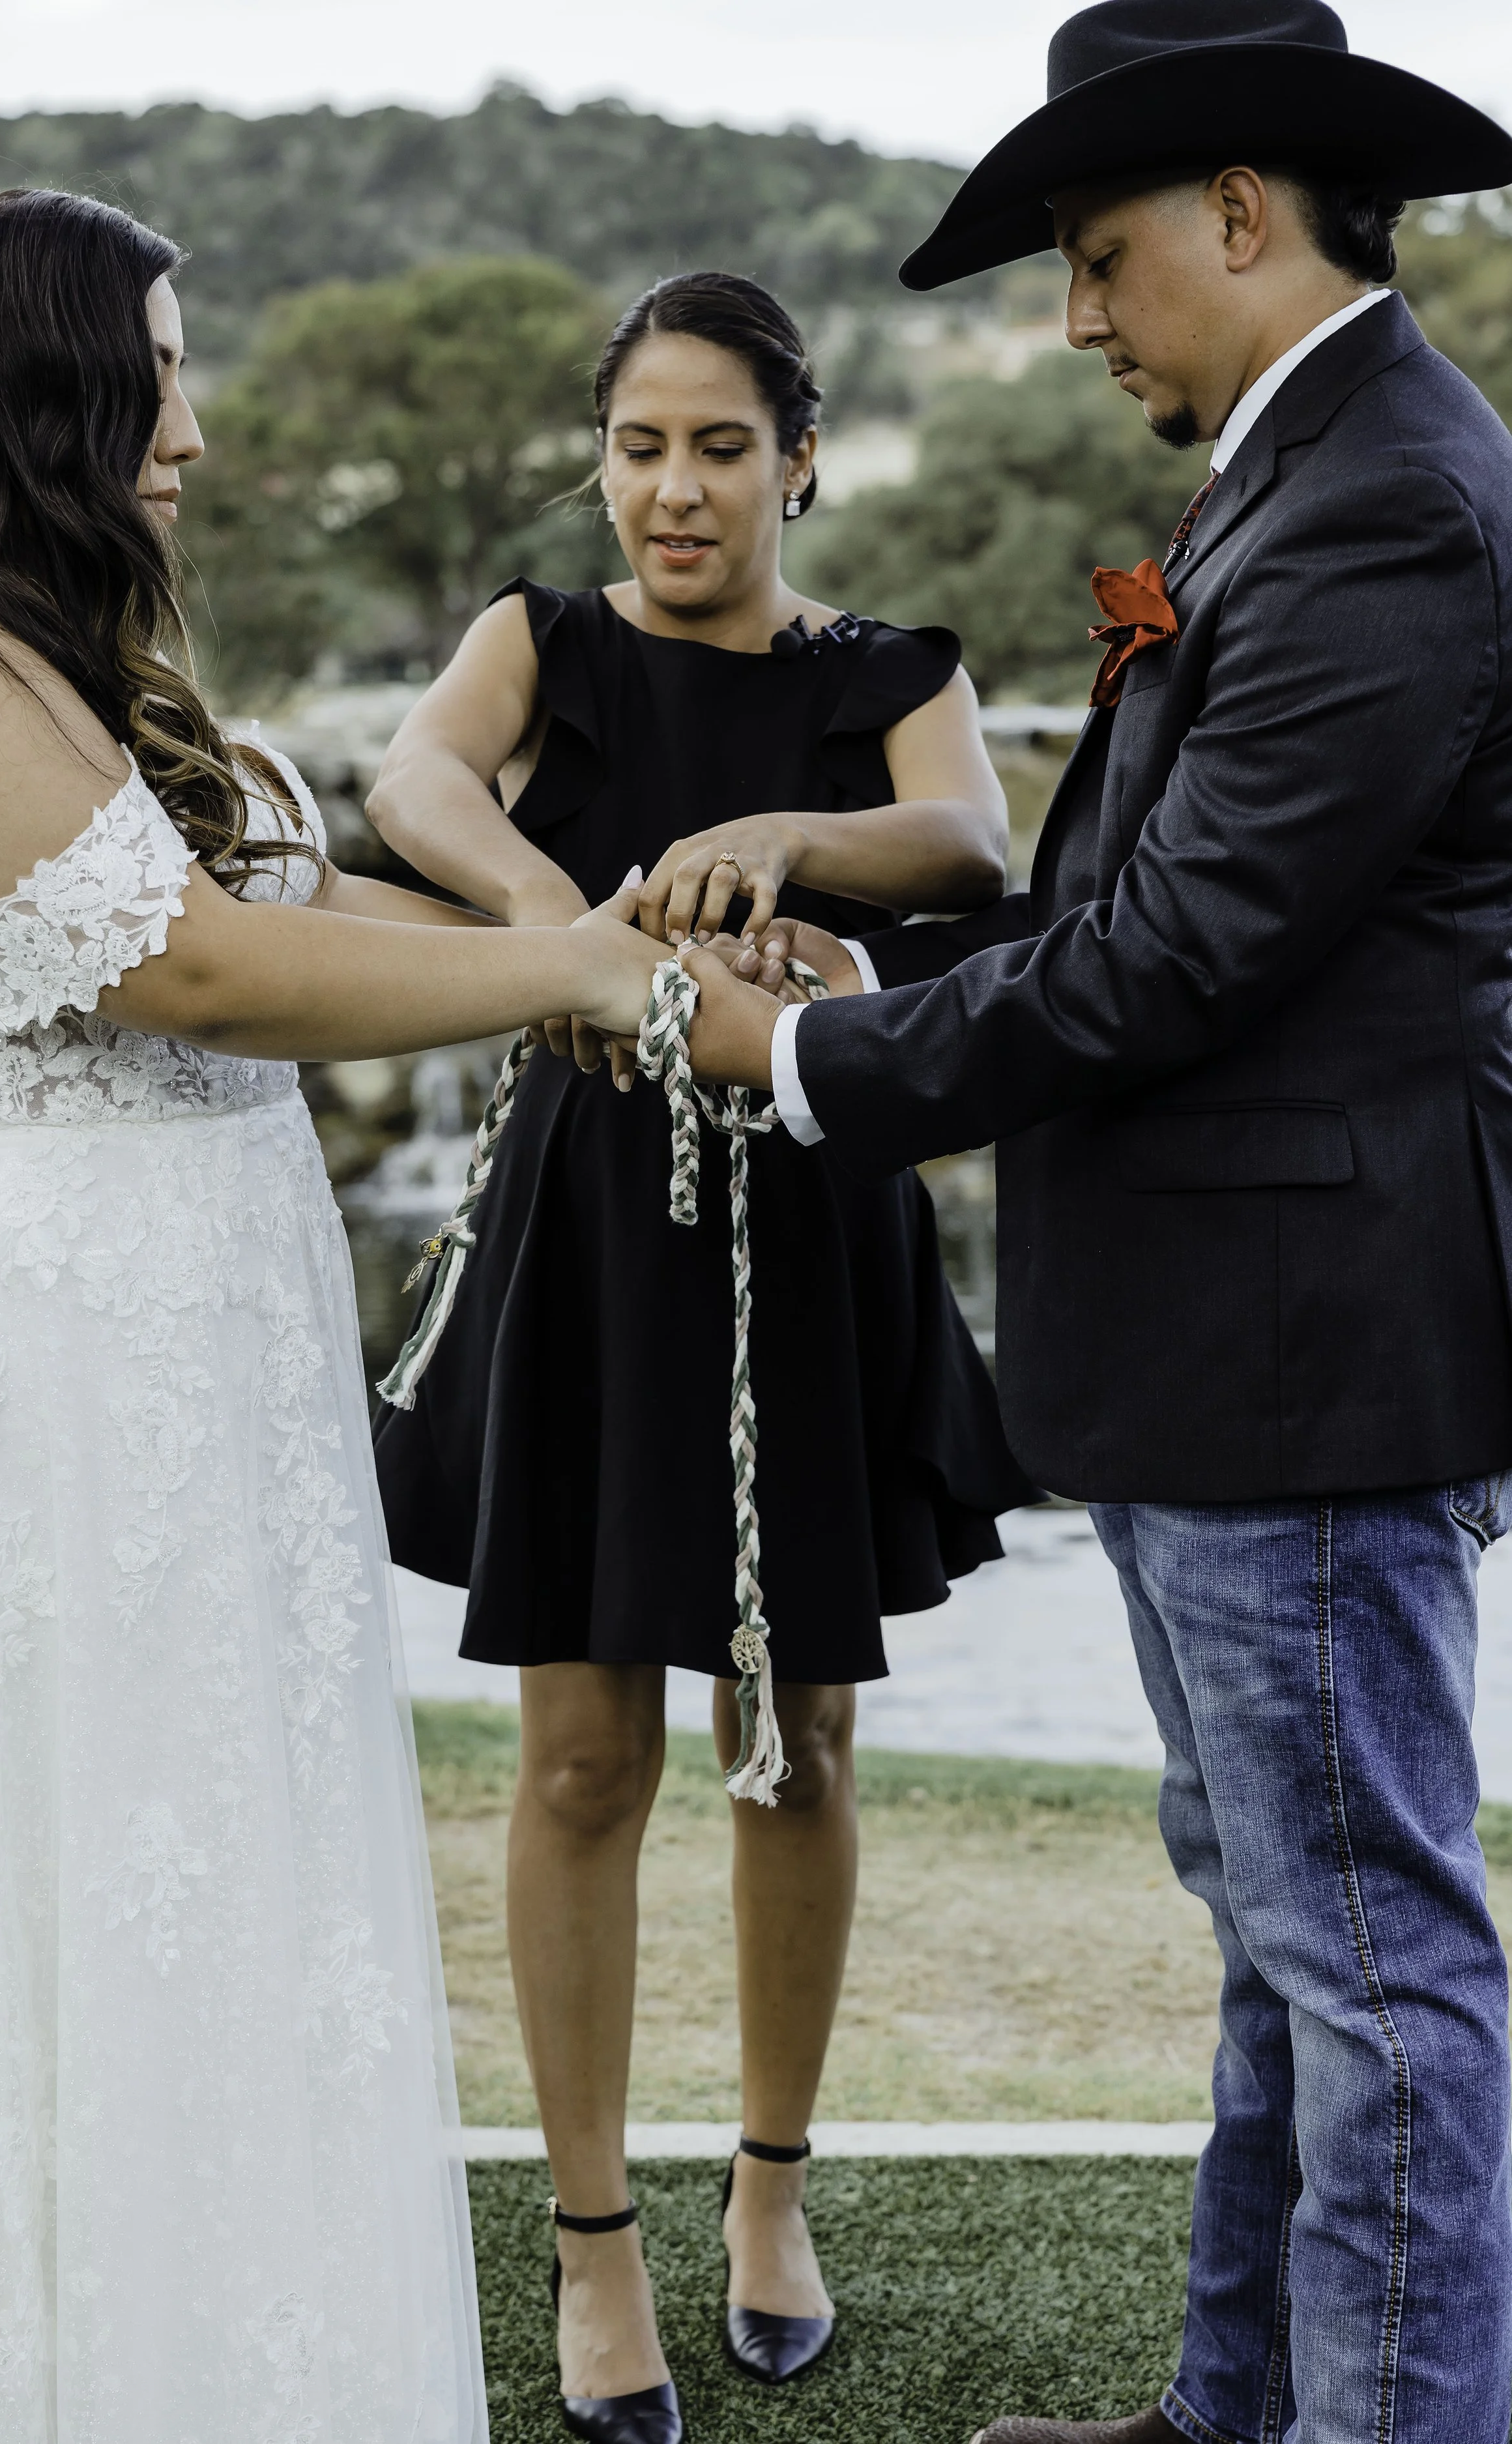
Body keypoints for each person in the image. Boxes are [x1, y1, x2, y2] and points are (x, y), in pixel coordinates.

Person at [680, 5, 1512, 2439]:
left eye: (1094, 255)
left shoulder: (1382, 495)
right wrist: (876, 964)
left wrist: (799, 1058)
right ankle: (1236, 2407)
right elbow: (1142, 906)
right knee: (1290, 1930)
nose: (1074, 316)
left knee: (1363, 1954)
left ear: (1240, 214)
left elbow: (1183, 955)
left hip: (1307, 1344)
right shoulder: (1315, 472)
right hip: (1235, 1335)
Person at [0, 182, 665, 2444]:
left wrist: (621, 937)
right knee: (65, 1872)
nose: (197, 430)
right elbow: (195, 969)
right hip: (44, 1374)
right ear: (35, 385)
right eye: (156, 370)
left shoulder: (60, 645)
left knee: (215, 1880)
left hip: (189, 1361)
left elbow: (292, 885)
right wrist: (573, 975)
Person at [367, 270, 1032, 2442]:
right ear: (602, 458)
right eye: (641, 444)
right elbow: (412, 785)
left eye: (721, 445)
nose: (676, 487)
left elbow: (971, 839)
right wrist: (572, 930)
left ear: (799, 456)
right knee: (579, 1755)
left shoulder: (893, 674)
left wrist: (782, 839)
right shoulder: (536, 643)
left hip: (813, 1228)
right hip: (595, 1234)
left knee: (797, 1740)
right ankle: (588, 2245)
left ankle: (768, 2192)